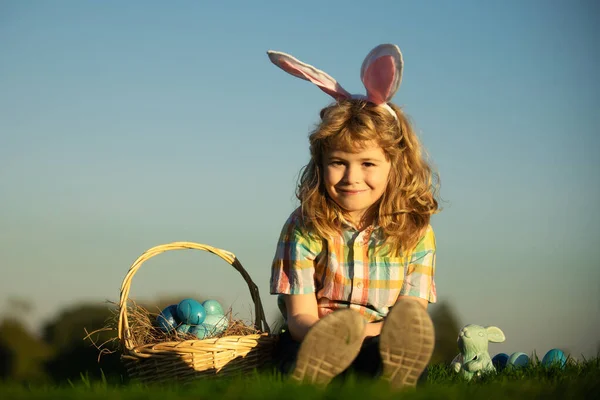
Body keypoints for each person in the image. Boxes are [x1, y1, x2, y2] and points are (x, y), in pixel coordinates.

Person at [267, 44, 440, 389]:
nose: (351, 177)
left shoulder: (415, 231)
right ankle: (316, 376)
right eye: (338, 163)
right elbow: (299, 316)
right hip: (315, 337)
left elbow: (410, 317)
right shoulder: (304, 226)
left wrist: (361, 334)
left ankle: (393, 378)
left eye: (368, 164)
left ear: (396, 166)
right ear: (320, 164)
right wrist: (330, 337)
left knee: (387, 358)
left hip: (383, 339)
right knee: (293, 360)